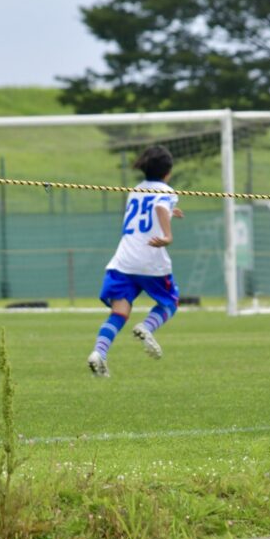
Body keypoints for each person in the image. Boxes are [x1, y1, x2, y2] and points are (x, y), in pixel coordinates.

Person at [88, 145, 183, 377]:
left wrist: (171, 211)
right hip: (150, 261)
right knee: (170, 303)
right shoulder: (168, 191)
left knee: (119, 311)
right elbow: (160, 206)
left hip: (123, 261)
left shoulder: (136, 190)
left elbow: (152, 209)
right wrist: (168, 235)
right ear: (168, 171)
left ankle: (99, 353)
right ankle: (147, 326)